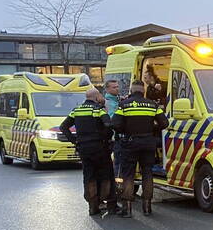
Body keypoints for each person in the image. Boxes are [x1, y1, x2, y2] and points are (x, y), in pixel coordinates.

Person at [112, 80, 168, 218]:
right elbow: (164, 123)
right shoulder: (153, 105)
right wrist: (151, 128)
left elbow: (115, 124)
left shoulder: (124, 105)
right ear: (143, 91)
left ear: (131, 91)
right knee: (147, 173)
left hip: (130, 143)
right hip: (148, 142)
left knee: (128, 174)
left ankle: (127, 209)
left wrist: (126, 129)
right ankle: (147, 207)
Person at [60, 88, 115, 216]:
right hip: (100, 148)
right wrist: (105, 138)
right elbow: (108, 125)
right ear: (96, 97)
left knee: (89, 176)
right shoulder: (98, 110)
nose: (102, 97)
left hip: (84, 148)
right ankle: (107, 202)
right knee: (106, 175)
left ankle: (92, 206)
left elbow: (63, 127)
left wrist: (75, 141)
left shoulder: (76, 110)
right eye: (100, 95)